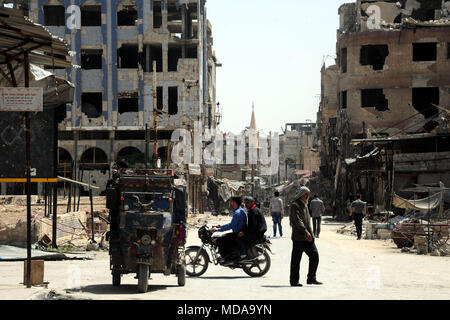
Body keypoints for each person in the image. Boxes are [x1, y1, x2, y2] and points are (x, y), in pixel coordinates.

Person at [289, 186, 322, 287]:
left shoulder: (305, 204)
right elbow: (297, 220)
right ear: (301, 194)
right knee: (296, 259)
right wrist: (305, 231)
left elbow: (308, 222)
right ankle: (294, 281)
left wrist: (310, 233)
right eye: (306, 194)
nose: (307, 196)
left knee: (314, 256)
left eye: (308, 194)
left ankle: (311, 278)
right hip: (299, 237)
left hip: (308, 237)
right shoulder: (295, 205)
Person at [236, 197, 267, 261]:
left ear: (252, 202)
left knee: (239, 238)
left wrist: (244, 232)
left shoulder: (254, 212)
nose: (246, 204)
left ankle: (244, 255)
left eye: (247, 203)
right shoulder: (254, 210)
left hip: (257, 233)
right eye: (245, 203)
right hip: (257, 232)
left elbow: (253, 226)